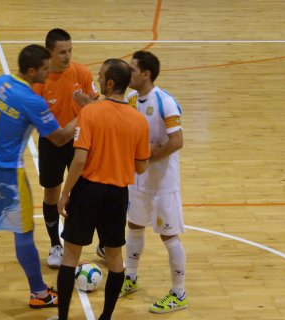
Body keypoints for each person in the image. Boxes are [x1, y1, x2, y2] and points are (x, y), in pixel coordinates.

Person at [0, 44, 78, 309]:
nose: (49, 72)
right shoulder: (33, 100)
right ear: (32, 70)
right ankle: (39, 293)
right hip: (6, 175)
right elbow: (59, 138)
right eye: (45, 69)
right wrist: (85, 113)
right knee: (24, 233)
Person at [55, 59, 151, 320]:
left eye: (100, 78)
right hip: (117, 195)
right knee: (115, 260)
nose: (96, 81)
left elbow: (79, 159)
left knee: (70, 256)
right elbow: (141, 167)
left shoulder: (90, 113)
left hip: (87, 192)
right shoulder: (139, 120)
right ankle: (106, 318)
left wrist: (65, 194)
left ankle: (63, 318)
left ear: (110, 83)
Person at [118, 51, 188, 314]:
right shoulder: (131, 98)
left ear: (145, 74)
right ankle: (131, 278)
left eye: (133, 70)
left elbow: (177, 142)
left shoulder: (165, 102)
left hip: (162, 183)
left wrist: (147, 156)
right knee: (134, 225)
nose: (129, 74)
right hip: (138, 179)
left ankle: (179, 293)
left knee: (168, 236)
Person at [32, 28, 99, 269]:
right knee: (52, 193)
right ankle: (55, 245)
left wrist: (83, 115)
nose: (67, 56)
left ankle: (99, 242)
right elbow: (55, 133)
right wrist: (82, 114)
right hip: (51, 142)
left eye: (70, 50)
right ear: (49, 52)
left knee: (85, 191)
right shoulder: (40, 80)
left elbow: (94, 103)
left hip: (81, 142)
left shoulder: (81, 71)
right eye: (62, 52)